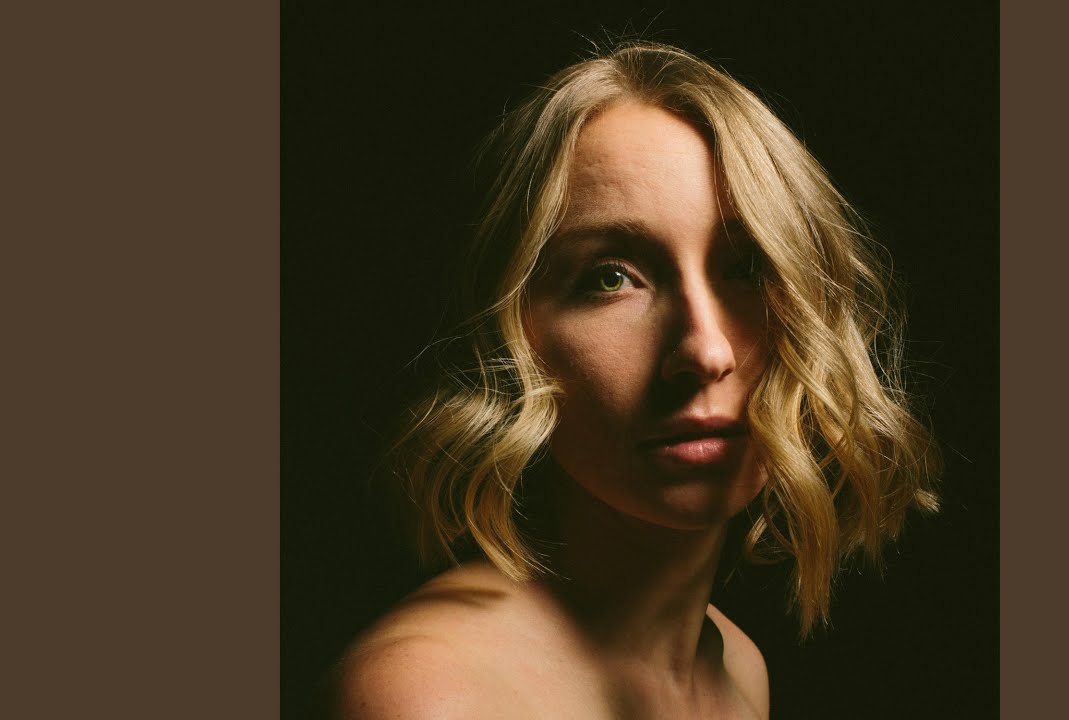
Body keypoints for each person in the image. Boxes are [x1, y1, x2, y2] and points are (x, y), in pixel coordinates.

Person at [332, 41, 939, 719]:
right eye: (610, 278)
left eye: (747, 268)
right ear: (512, 334)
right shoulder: (433, 695)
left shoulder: (737, 673)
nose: (705, 351)